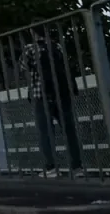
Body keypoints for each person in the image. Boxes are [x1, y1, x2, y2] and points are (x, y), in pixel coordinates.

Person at [21, 28, 84, 178]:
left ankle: (51, 168)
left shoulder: (29, 49)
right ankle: (77, 167)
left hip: (41, 94)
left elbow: (24, 69)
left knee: (46, 133)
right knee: (69, 131)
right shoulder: (57, 47)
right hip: (61, 93)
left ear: (32, 32)